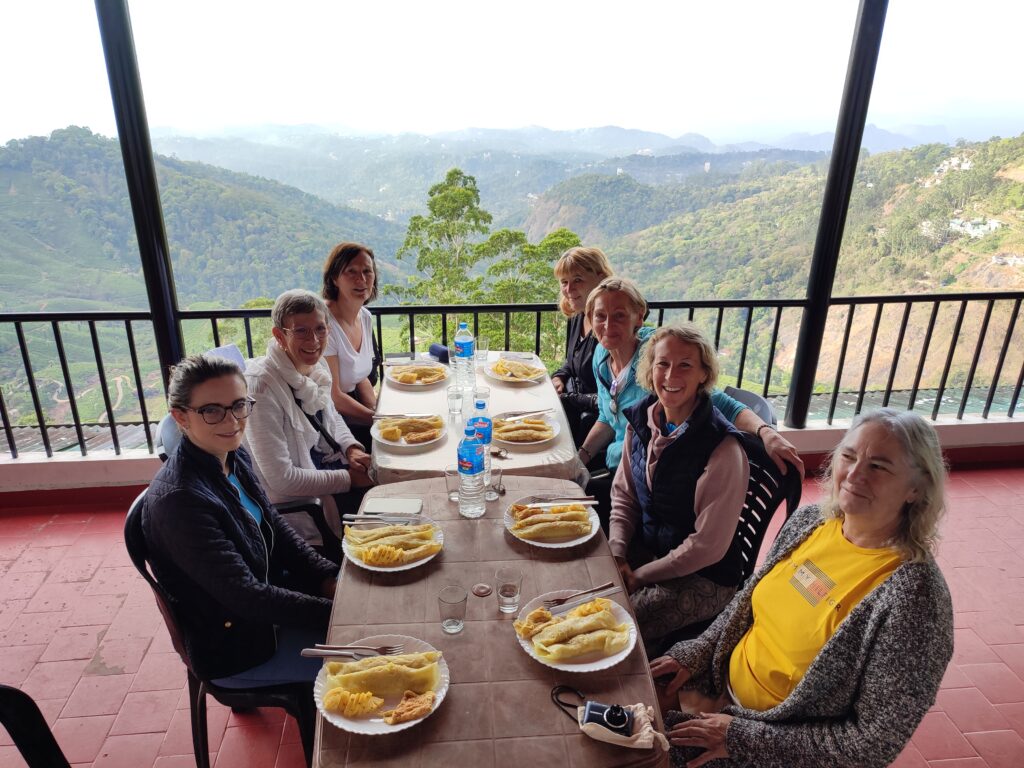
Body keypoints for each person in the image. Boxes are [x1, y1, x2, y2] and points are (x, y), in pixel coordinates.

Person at [650, 408, 953, 768]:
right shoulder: (812, 521)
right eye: (849, 456)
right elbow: (748, 601)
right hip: (716, 691)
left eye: (879, 466)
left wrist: (740, 739)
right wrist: (698, 652)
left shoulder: (915, 600)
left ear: (916, 489)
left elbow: (872, 744)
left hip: (772, 746)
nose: (855, 475)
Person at [142, 354, 338, 685]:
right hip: (238, 643)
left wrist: (327, 576)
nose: (231, 421)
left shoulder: (232, 454)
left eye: (238, 405)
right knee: (369, 657)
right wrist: (337, 613)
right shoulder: (181, 501)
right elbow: (246, 597)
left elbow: (275, 527)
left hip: (264, 600)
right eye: (211, 410)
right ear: (181, 417)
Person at [576, 278, 802, 521]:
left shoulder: (658, 359)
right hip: (619, 467)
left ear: (639, 317)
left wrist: (766, 432)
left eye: (619, 316)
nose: (608, 325)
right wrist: (581, 459)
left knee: (578, 515)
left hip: (652, 481)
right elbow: (607, 417)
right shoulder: (601, 355)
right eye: (600, 316)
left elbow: (723, 403)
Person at [609, 324, 750, 655]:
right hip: (652, 552)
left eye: (685, 365)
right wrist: (616, 551)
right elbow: (624, 494)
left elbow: (706, 547)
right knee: (585, 584)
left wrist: (641, 575)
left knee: (614, 626)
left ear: (704, 374)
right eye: (662, 363)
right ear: (650, 368)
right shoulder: (643, 420)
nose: (671, 374)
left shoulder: (722, 448)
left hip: (705, 577)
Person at [244, 289, 374, 547]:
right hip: (299, 505)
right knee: (386, 512)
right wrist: (350, 479)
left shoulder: (316, 366)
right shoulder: (261, 388)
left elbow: (331, 414)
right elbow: (282, 479)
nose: (314, 340)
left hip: (326, 465)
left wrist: (351, 448)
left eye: (320, 329)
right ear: (279, 335)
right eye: (301, 331)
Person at [551, 246, 614, 450]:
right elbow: (572, 362)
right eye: (564, 282)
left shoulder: (609, 329)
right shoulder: (578, 317)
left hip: (593, 425)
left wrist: (569, 399)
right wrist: (559, 376)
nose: (569, 289)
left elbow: (612, 399)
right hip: (572, 411)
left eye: (578, 280)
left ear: (600, 278)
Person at [321, 242, 381, 448]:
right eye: (351, 271)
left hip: (352, 410)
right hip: (329, 419)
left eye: (367, 271)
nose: (361, 279)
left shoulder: (364, 317)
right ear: (334, 278)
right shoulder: (324, 325)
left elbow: (360, 375)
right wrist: (378, 421)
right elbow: (334, 396)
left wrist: (376, 410)